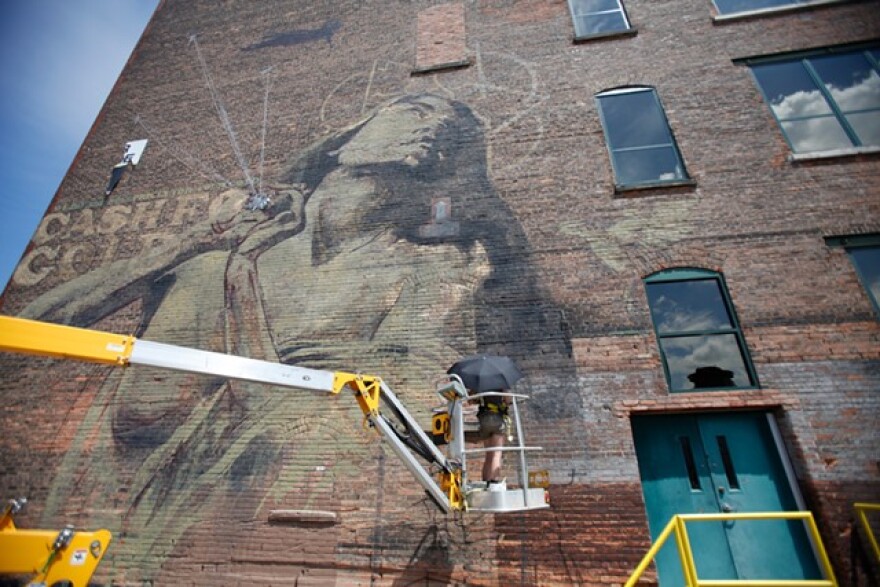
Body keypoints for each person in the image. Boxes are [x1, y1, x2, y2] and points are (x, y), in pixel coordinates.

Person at [20, 92, 570, 578]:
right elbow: (36, 324)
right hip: (97, 495)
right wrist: (190, 243)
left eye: (450, 135)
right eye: (414, 110)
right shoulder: (234, 237)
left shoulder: (430, 269)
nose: (432, 130)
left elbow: (319, 425)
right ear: (346, 138)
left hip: (214, 519)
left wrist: (241, 275)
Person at [477, 391, 511, 489]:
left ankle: (485, 482)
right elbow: (508, 400)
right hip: (497, 419)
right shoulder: (500, 382)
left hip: (484, 419)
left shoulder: (481, 384)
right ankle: (493, 483)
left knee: (488, 455)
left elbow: (472, 400)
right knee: (496, 454)